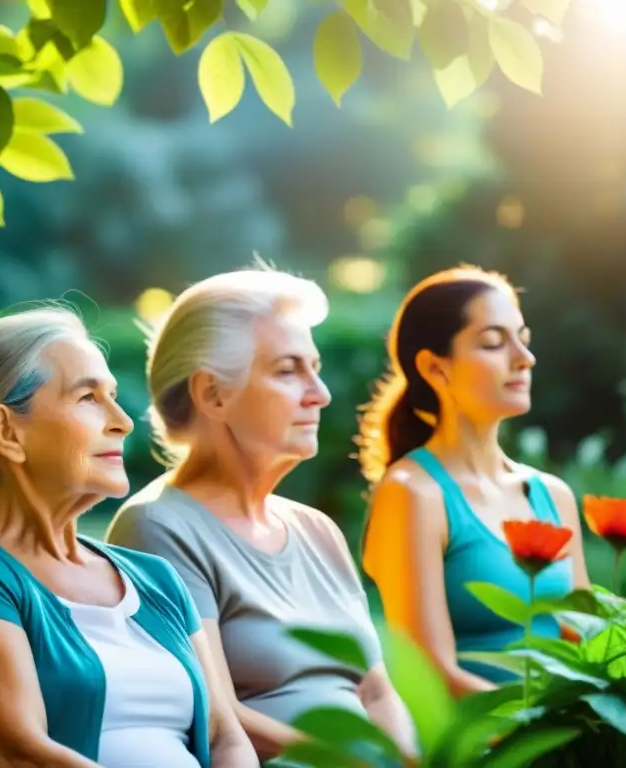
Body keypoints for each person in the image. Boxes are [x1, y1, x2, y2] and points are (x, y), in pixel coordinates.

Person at [0, 307, 256, 768]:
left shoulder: (156, 579)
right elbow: (22, 754)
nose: (122, 420)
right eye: (87, 398)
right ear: (7, 431)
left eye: (114, 396)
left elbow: (227, 738)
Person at [105, 267, 417, 765]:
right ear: (213, 395)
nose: (320, 393)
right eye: (288, 370)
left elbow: (377, 693)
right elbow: (215, 713)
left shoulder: (318, 531)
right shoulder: (157, 526)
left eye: (314, 367)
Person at [356, 266, 591, 698]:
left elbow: (586, 645)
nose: (524, 357)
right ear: (434, 368)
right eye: (493, 343)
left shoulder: (552, 495)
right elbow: (429, 674)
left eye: (524, 338)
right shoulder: (412, 493)